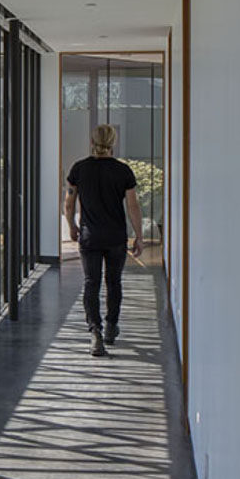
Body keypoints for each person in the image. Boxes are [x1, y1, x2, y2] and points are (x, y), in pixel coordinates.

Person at [64, 124, 144, 357]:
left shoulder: (79, 169)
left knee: (91, 283)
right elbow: (133, 206)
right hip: (116, 237)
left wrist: (72, 226)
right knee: (114, 282)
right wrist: (139, 236)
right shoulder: (123, 171)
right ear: (113, 143)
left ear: (92, 142)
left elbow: (69, 203)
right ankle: (111, 326)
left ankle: (95, 333)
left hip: (90, 237)